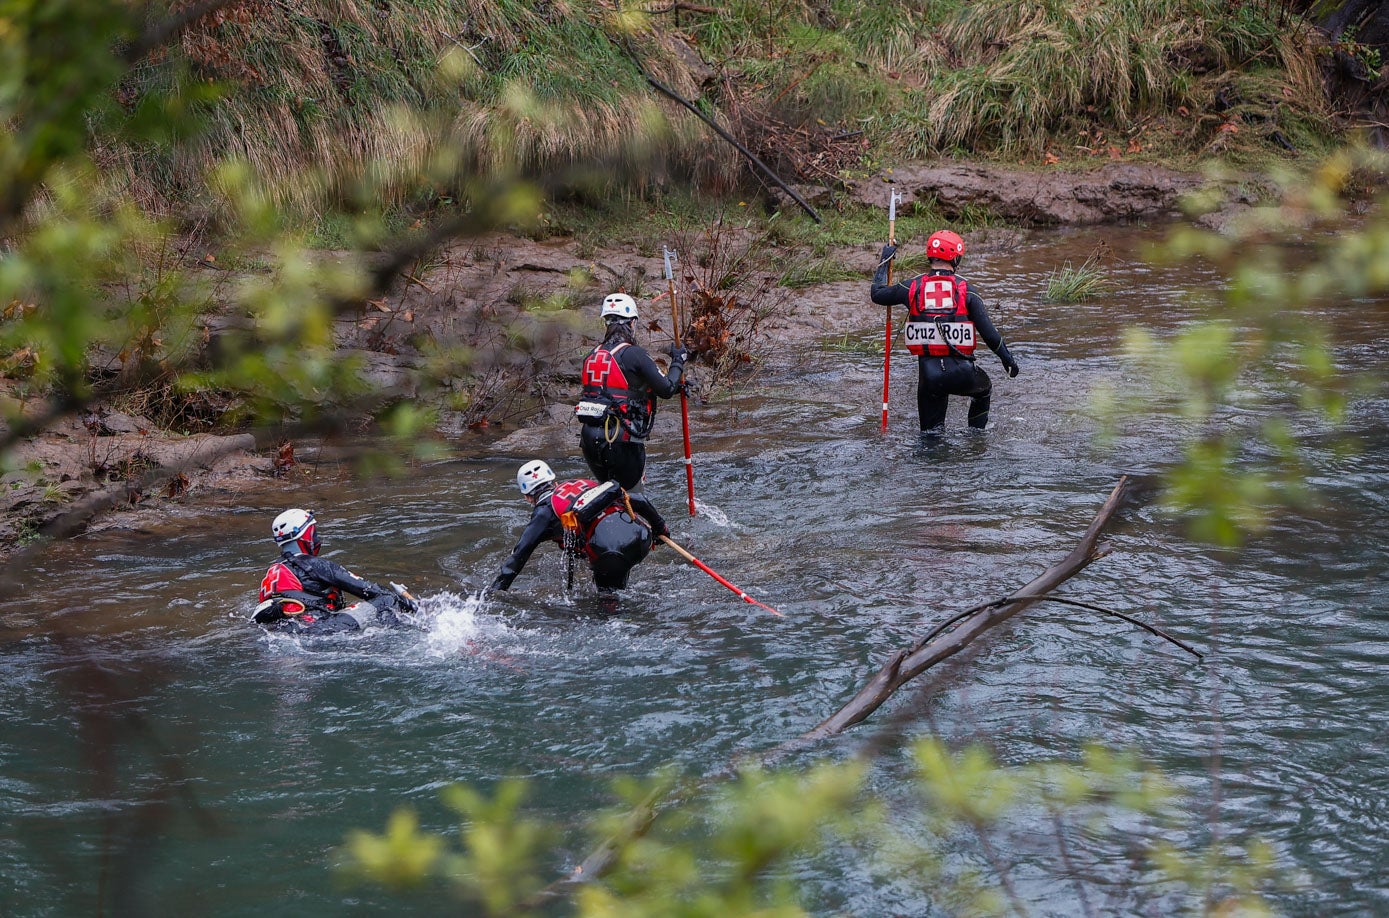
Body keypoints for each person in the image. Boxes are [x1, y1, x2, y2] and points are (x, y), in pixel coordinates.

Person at [871, 230, 1020, 431]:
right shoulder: (968, 291)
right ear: (956, 257)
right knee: (983, 390)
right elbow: (990, 334)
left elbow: (877, 294)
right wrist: (1007, 359)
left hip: (929, 378)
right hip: (964, 374)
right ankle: (975, 439)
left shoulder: (912, 287)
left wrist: (886, 259)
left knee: (931, 436)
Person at [490, 459, 670, 597]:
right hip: (641, 536)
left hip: (612, 553)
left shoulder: (543, 514)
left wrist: (494, 592)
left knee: (609, 599)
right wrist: (661, 528)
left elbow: (519, 555)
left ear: (527, 498)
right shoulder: (580, 487)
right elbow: (637, 499)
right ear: (554, 482)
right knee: (618, 567)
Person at [574, 292, 688, 490]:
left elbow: (618, 388)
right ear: (632, 323)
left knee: (608, 496)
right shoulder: (634, 354)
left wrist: (678, 386)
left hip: (590, 440)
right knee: (632, 498)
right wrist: (678, 361)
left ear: (606, 324)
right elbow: (666, 389)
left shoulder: (592, 355)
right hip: (621, 440)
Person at [253, 508, 416, 634]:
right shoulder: (313, 564)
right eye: (313, 532)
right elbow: (369, 590)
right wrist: (411, 604)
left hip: (283, 632)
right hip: (320, 630)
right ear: (305, 535)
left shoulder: (274, 569)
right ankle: (410, 629)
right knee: (388, 599)